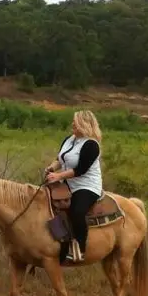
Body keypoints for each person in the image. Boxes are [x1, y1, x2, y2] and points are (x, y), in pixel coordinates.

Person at [43, 109, 103, 264]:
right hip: (67, 184)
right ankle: (59, 243)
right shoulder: (69, 139)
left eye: (75, 122)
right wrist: (52, 168)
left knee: (77, 212)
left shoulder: (91, 145)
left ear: (84, 124)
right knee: (46, 206)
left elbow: (81, 170)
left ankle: (80, 248)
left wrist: (58, 176)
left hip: (86, 185)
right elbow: (59, 158)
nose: (72, 124)